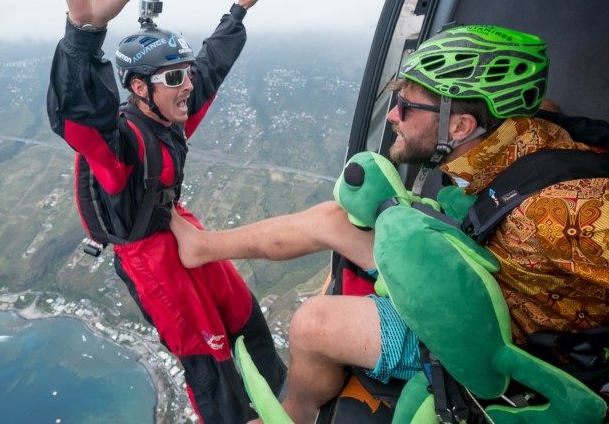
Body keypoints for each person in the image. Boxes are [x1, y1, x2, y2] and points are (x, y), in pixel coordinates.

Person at [172, 24, 609, 423]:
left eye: (406, 105)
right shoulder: (527, 126)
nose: (394, 116)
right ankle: (202, 247)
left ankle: (296, 414)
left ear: (459, 125)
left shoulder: (566, 212)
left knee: (312, 323)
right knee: (332, 218)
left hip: (496, 337)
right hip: (471, 262)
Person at [46, 0, 286, 423]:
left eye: (184, 74)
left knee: (247, 319)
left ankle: (289, 406)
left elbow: (211, 66)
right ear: (138, 88)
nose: (188, 84)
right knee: (210, 364)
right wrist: (83, 31)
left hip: (180, 230)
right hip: (151, 262)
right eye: (174, 77)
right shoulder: (125, 148)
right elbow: (81, 119)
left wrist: (236, 13)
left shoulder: (171, 116)